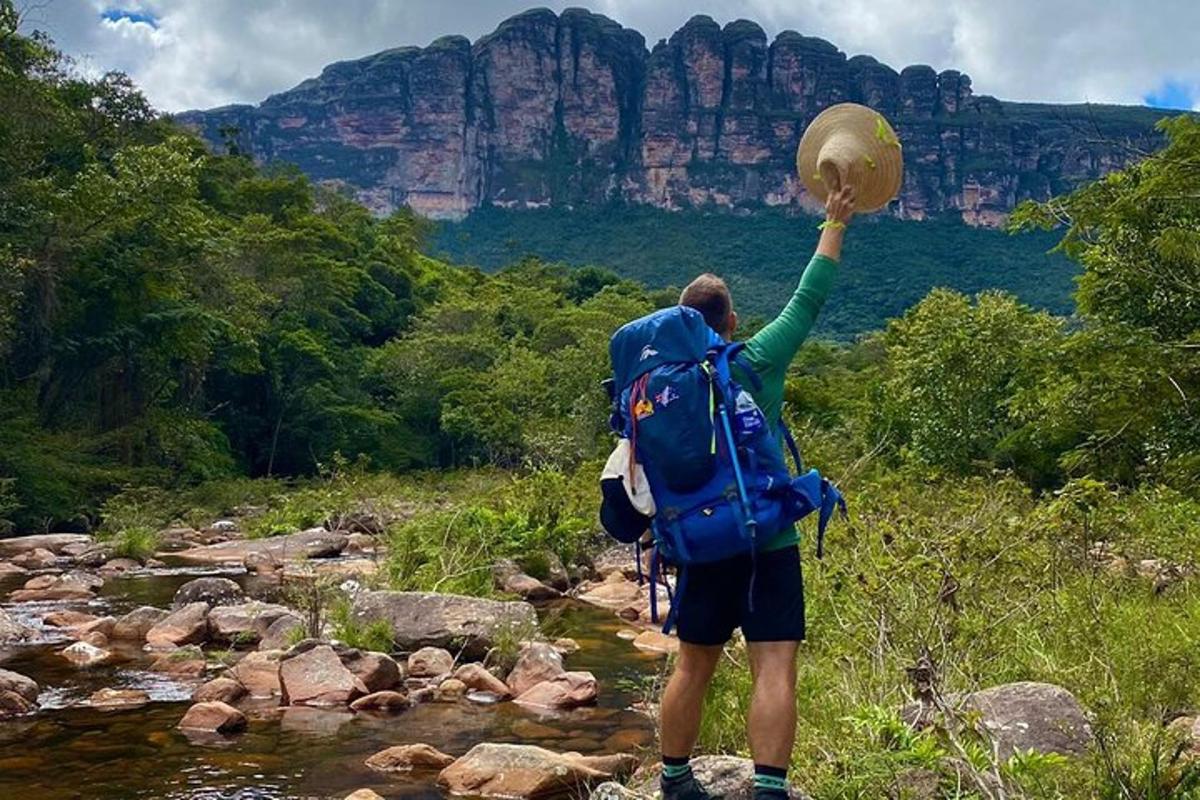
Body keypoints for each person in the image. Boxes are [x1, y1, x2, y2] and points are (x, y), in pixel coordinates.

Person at [658, 182, 857, 800]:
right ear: (732, 321)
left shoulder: (664, 383)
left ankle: (675, 780)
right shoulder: (755, 360)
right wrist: (835, 222)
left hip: (696, 544)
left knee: (693, 665)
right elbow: (808, 299)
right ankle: (768, 790)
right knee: (774, 666)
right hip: (764, 538)